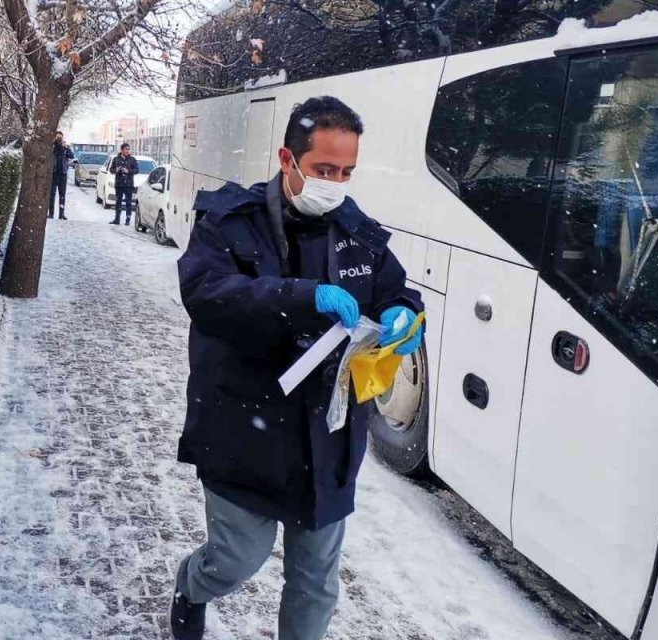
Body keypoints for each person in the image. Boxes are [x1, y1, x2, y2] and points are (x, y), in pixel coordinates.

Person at [169, 97, 425, 640]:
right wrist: (303, 297)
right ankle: (192, 586)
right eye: (324, 170)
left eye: (347, 172)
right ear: (288, 159)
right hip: (244, 429)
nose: (336, 182)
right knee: (235, 561)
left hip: (326, 439)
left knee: (316, 584)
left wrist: (406, 312)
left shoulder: (360, 233)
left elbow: (394, 290)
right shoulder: (228, 222)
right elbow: (208, 294)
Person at [109, 143, 138, 225]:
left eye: (128, 149)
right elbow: (111, 170)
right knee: (118, 202)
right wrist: (116, 169)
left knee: (128, 202)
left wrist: (128, 171)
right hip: (119, 184)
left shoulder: (132, 159)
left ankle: (127, 220)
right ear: (121, 150)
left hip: (129, 185)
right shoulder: (116, 159)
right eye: (126, 149)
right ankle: (117, 219)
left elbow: (136, 170)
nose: (127, 151)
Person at [50, 132, 75, 220]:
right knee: (51, 195)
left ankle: (61, 214)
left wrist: (67, 148)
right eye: (58, 137)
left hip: (63, 174)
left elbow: (72, 156)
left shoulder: (65, 147)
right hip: (53, 173)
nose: (59, 139)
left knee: (62, 195)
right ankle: (51, 213)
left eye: (60, 137)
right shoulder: (52, 146)